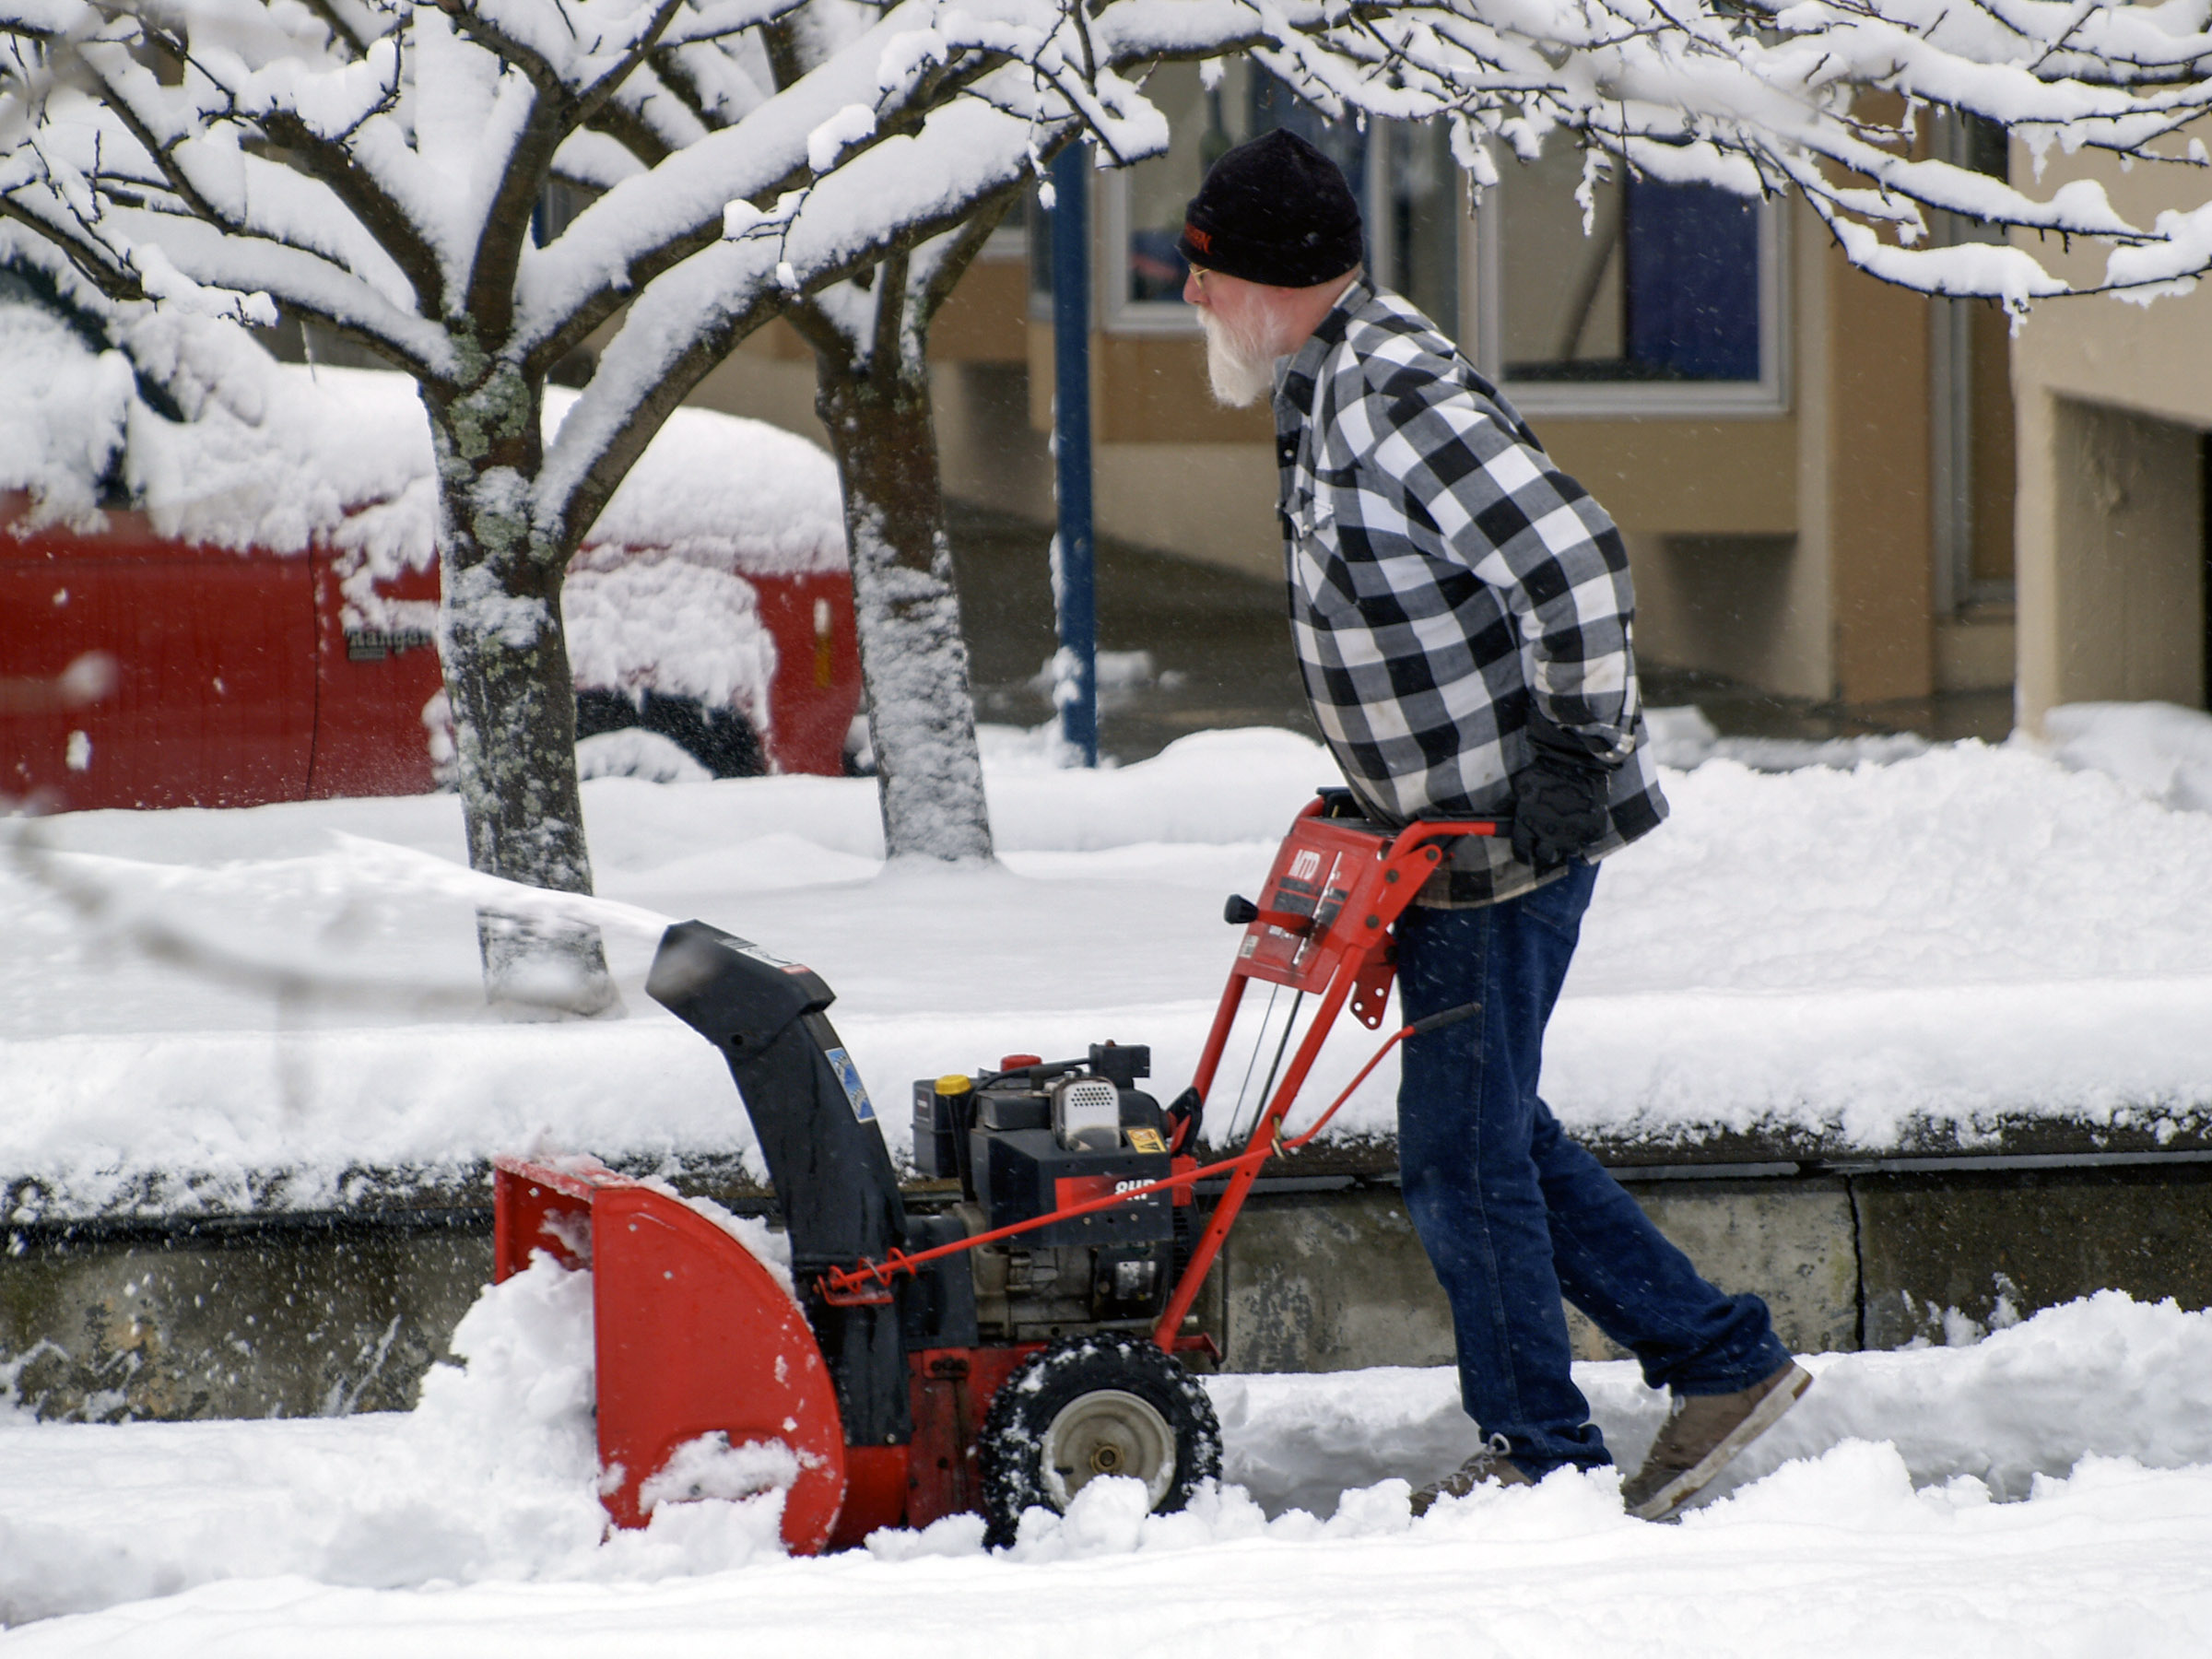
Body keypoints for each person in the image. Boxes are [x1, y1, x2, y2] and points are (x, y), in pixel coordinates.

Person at [1177, 128, 1809, 1522]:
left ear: (1274, 279)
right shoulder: (1326, 381)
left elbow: (1574, 555)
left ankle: (1540, 1451)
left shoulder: (1393, 396)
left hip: (1505, 839)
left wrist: (1577, 751)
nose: (1189, 300)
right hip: (1433, 841)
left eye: (1203, 274)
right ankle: (1719, 1356)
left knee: (1463, 1155)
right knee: (1493, 1132)